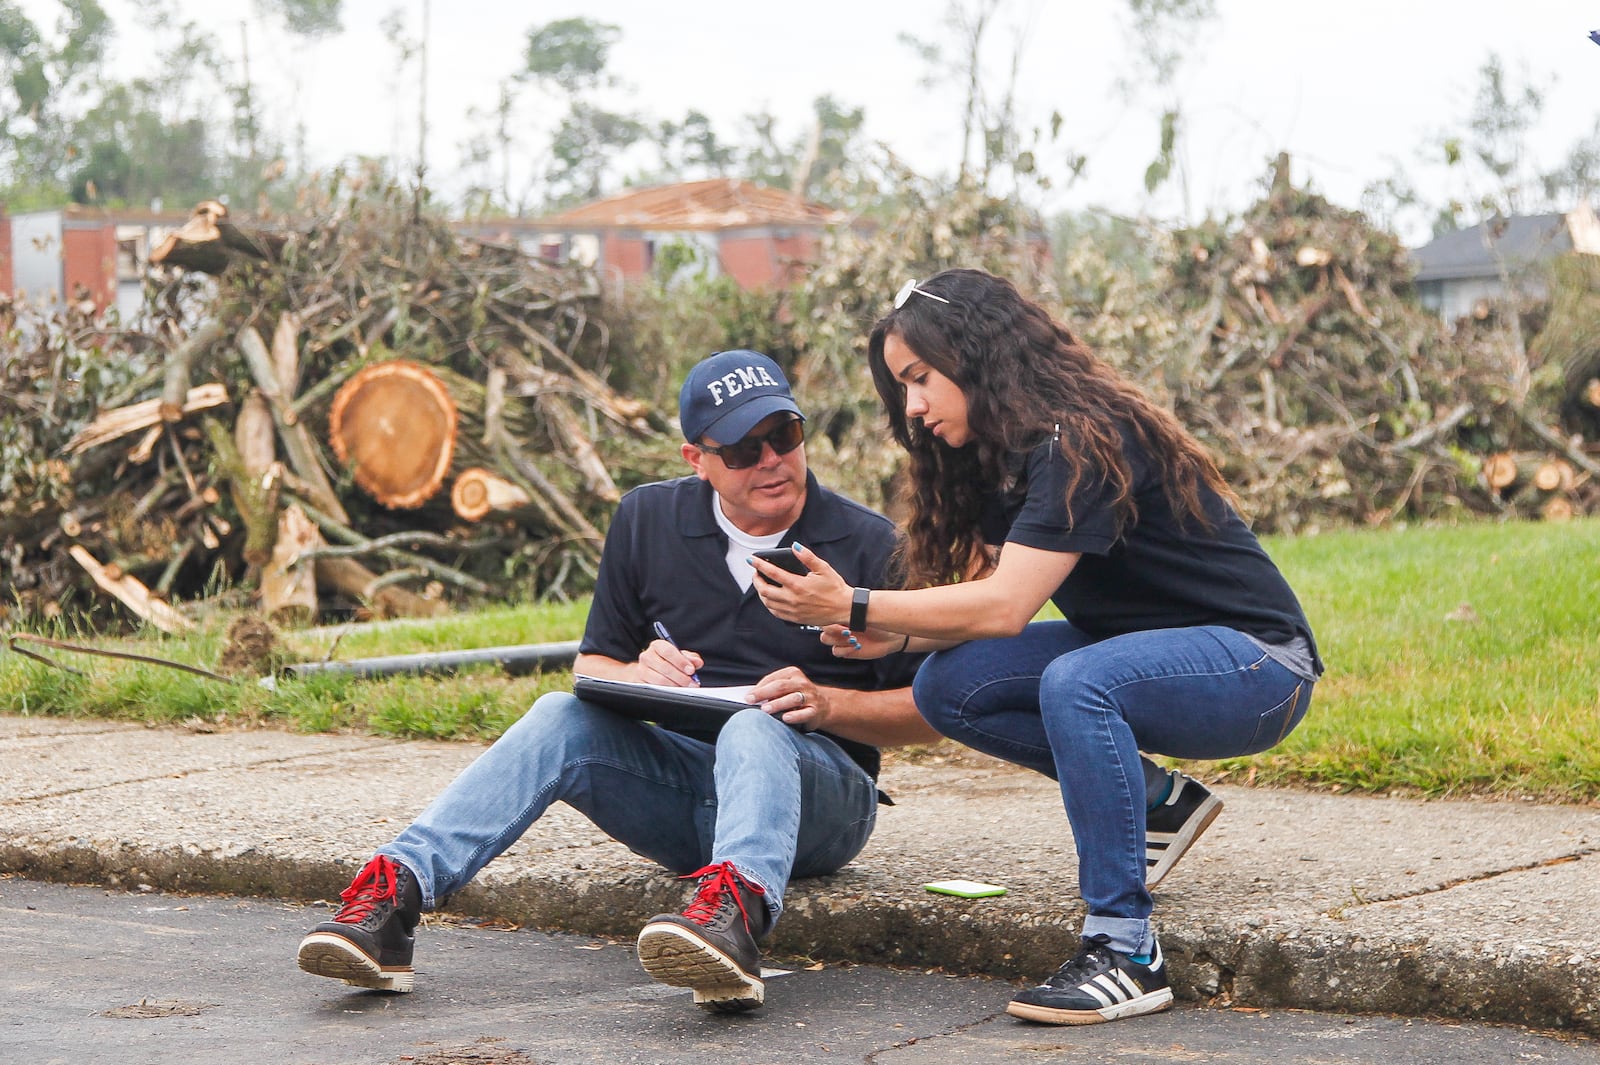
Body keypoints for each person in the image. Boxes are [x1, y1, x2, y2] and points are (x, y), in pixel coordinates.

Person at [753, 269, 1322, 1027]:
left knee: (1079, 682)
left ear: (974, 356)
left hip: (1258, 665)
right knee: (946, 682)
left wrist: (854, 599)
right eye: (903, 389)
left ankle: (1126, 949)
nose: (913, 408)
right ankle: (1157, 804)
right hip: (1149, 655)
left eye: (919, 380)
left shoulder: (1081, 438)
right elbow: (987, 614)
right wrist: (891, 633)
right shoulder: (1005, 458)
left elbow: (1006, 603)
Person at [297, 349, 934, 1012]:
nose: (772, 459)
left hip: (824, 802)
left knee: (755, 726)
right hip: (689, 792)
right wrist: (637, 670)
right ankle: (392, 899)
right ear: (698, 460)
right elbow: (593, 666)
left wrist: (827, 702)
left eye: (785, 435)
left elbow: (927, 711)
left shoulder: (868, 543)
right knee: (556, 713)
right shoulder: (647, 520)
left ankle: (735, 923)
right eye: (744, 449)